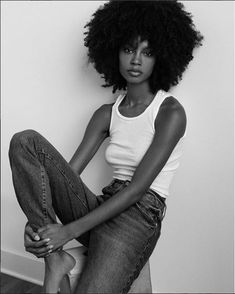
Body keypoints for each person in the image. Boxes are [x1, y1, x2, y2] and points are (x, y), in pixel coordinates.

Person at [8, 1, 203, 293]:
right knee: (25, 141)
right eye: (128, 49)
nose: (135, 60)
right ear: (113, 51)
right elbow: (62, 176)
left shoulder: (170, 112)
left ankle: (57, 251)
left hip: (139, 216)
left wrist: (67, 232)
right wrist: (39, 224)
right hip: (104, 204)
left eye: (147, 52)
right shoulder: (106, 114)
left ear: (161, 56)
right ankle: (53, 259)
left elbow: (137, 189)